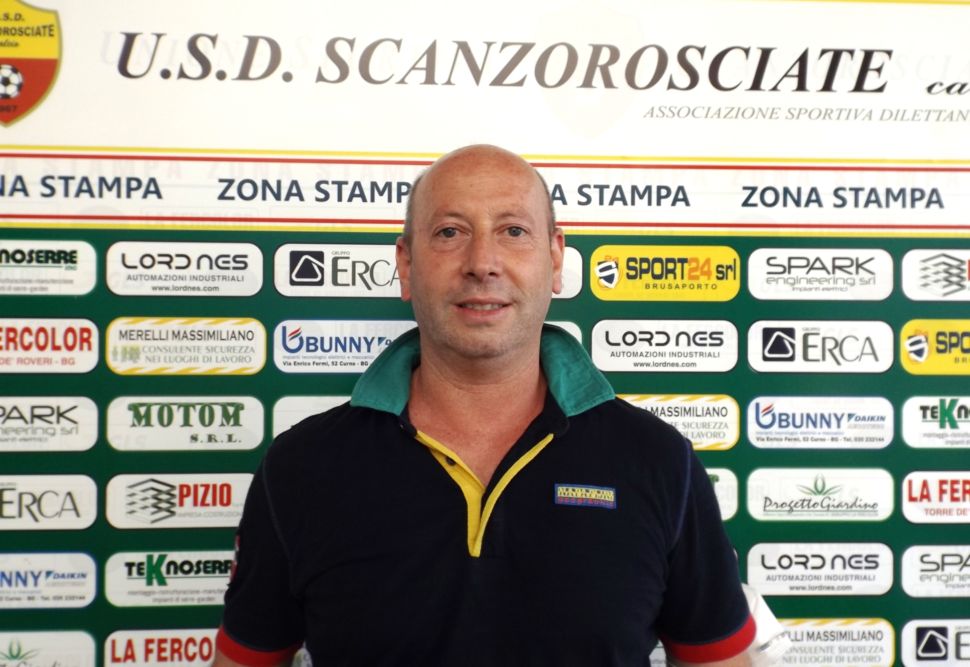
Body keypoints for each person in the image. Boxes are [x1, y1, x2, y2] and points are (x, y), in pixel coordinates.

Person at [213, 145, 763, 666]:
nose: (482, 263)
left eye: (513, 231)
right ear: (406, 263)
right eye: (450, 232)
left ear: (554, 258)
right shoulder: (301, 467)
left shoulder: (659, 461)